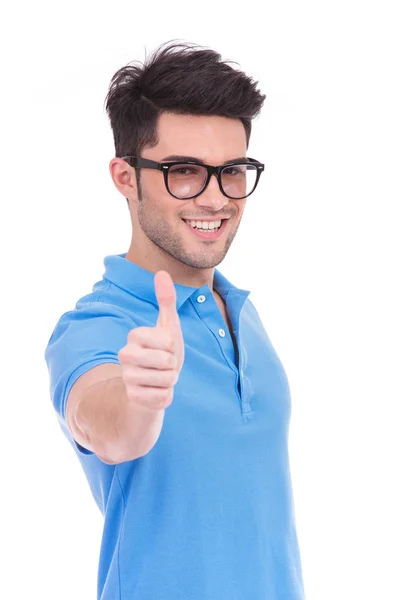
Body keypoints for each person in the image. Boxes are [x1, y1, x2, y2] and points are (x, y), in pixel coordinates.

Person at [44, 41, 306, 600]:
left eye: (232, 171)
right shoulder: (96, 327)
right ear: (125, 176)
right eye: (183, 171)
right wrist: (139, 400)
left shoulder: (241, 311)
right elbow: (103, 422)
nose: (215, 199)